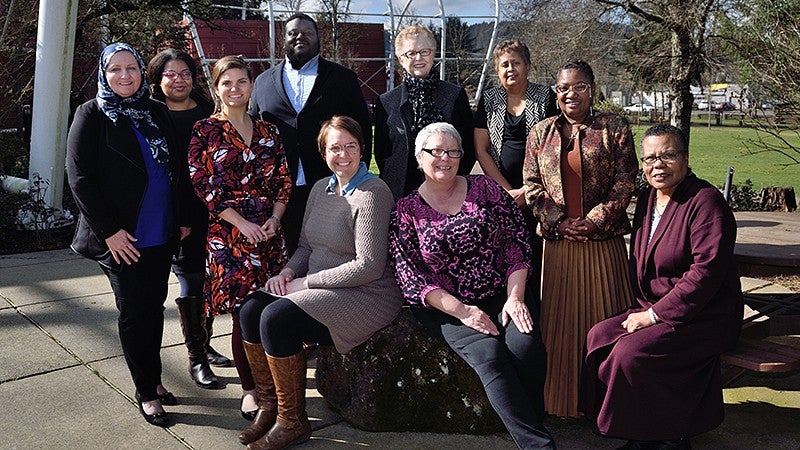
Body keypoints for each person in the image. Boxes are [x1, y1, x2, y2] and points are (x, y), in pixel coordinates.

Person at [237, 115, 403, 449]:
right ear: (322, 152)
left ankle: (293, 422)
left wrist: (306, 283)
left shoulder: (373, 192)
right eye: (334, 148)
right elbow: (307, 247)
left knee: (277, 318)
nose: (343, 154)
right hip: (321, 286)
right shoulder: (319, 189)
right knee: (251, 309)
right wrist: (288, 273)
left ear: (362, 148)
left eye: (350, 146)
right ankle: (271, 406)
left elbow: (368, 266)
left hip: (365, 294)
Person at [389, 122, 555, 449]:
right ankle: (538, 445)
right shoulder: (406, 211)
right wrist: (463, 311)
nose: (445, 158)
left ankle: (533, 415)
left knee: (524, 347)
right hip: (445, 307)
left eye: (453, 151)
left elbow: (516, 244)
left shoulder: (485, 189)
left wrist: (516, 297)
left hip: (500, 293)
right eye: (435, 151)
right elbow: (411, 276)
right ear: (419, 159)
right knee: (489, 354)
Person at [579, 125, 743, 450]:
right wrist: (646, 311)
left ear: (685, 157)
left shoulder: (706, 202)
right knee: (598, 335)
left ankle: (667, 437)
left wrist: (653, 316)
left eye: (668, 155)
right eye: (650, 158)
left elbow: (705, 274)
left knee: (630, 352)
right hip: (656, 308)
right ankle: (635, 427)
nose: (658, 165)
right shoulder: (648, 198)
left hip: (704, 316)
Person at [67, 42, 193, 427]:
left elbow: (177, 167)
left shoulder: (155, 110)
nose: (124, 76)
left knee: (153, 309)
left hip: (161, 230)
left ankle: (152, 380)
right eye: (115, 69)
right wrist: (110, 233)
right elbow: (80, 178)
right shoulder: (92, 113)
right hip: (122, 238)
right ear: (104, 74)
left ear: (142, 71)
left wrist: (183, 217)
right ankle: (146, 391)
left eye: (131, 68)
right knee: (135, 313)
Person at [522, 59, 638, 418]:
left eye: (579, 86)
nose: (570, 93)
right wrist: (559, 221)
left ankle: (608, 405)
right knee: (559, 330)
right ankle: (560, 403)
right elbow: (531, 185)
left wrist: (592, 220)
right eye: (563, 88)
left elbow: (625, 181)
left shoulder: (614, 127)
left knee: (604, 324)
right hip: (558, 250)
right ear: (556, 93)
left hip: (602, 248)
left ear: (592, 89)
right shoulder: (541, 131)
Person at [188, 55, 292, 421]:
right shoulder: (205, 130)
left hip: (269, 235)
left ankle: (279, 386)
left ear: (252, 85)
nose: (235, 89)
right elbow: (202, 184)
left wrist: (276, 220)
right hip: (228, 239)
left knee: (273, 310)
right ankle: (251, 390)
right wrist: (241, 224)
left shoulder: (268, 131)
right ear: (216, 89)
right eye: (226, 82)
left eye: (242, 81)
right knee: (243, 316)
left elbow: (283, 178)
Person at [250, 12, 372, 255]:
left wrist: (360, 172)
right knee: (288, 255)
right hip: (280, 191)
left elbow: (362, 127)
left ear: (318, 38)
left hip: (332, 183)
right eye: (293, 33)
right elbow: (253, 132)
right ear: (283, 39)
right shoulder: (263, 82)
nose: (299, 37)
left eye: (307, 32)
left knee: (334, 251)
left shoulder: (343, 78)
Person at [146, 48, 231, 391]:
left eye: (184, 73)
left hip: (212, 209)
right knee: (191, 282)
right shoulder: (149, 113)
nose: (178, 80)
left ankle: (205, 343)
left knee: (210, 281)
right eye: (170, 74)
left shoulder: (210, 111)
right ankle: (196, 358)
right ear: (157, 78)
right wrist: (176, 216)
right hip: (172, 211)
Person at [474, 39, 558, 300]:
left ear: (528, 66)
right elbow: (481, 150)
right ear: (497, 70)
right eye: (504, 65)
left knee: (540, 259)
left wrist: (529, 191)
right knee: (505, 257)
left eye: (516, 63)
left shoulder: (546, 98)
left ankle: (543, 315)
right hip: (503, 196)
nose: (510, 69)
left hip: (542, 193)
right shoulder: (489, 101)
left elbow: (555, 149)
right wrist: (508, 192)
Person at [374, 24, 476, 200]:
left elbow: (467, 147)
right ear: (400, 58)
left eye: (425, 51)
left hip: (445, 193)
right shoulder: (386, 102)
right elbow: (382, 153)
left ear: (433, 53)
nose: (419, 58)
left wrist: (450, 178)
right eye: (411, 53)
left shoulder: (455, 96)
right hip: (399, 194)